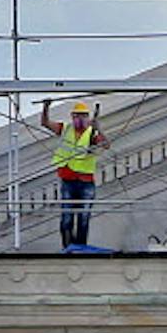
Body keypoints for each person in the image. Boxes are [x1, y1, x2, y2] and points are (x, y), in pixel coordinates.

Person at [41, 100, 112, 249]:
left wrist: (99, 129)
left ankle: (80, 248)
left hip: (85, 182)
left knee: (83, 219)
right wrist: (46, 107)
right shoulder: (66, 129)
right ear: (72, 117)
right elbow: (45, 123)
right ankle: (68, 248)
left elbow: (106, 145)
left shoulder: (92, 133)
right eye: (77, 116)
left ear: (88, 118)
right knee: (66, 218)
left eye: (83, 116)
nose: (80, 119)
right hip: (68, 180)